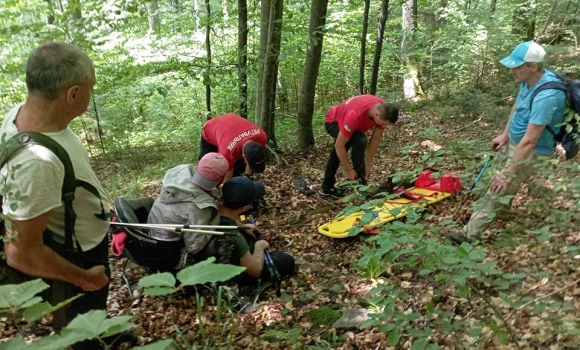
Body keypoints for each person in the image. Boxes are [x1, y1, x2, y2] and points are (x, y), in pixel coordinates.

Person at [0, 42, 132, 348]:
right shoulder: (36, 162)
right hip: (74, 258)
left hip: (82, 241)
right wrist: (84, 278)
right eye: (90, 87)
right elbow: (21, 253)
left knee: (91, 313)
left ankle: (101, 330)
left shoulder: (22, 113)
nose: (91, 92)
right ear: (73, 94)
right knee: (79, 326)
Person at [447, 41, 566, 245]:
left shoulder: (548, 95)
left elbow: (530, 141)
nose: (512, 71)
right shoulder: (528, 81)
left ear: (533, 66)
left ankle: (467, 235)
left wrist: (508, 173)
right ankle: (502, 214)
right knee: (506, 185)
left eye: (517, 66)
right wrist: (505, 134)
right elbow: (517, 107)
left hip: (532, 151)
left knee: (499, 186)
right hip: (516, 143)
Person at [195, 177, 295, 280]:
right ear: (245, 207)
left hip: (206, 254)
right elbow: (255, 271)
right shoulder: (234, 236)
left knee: (246, 223)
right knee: (286, 261)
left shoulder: (211, 206)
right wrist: (259, 246)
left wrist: (242, 226)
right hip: (219, 265)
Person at [147, 152, 229, 268]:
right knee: (224, 243)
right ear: (221, 180)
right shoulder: (198, 207)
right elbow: (195, 247)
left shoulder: (179, 173)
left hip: (151, 234)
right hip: (166, 252)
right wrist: (215, 219)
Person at [319, 95, 399, 198]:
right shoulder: (354, 115)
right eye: (383, 123)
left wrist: (368, 165)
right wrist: (349, 170)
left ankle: (327, 187)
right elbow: (339, 146)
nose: (383, 125)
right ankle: (359, 182)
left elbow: (375, 140)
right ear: (377, 114)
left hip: (354, 126)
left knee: (354, 142)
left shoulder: (384, 109)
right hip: (334, 121)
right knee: (358, 140)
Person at [199, 113, 267, 181]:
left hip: (229, 128)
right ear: (244, 156)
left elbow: (253, 155)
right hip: (211, 129)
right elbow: (227, 178)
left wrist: (247, 176)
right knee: (209, 167)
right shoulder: (227, 152)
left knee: (240, 168)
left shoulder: (262, 137)